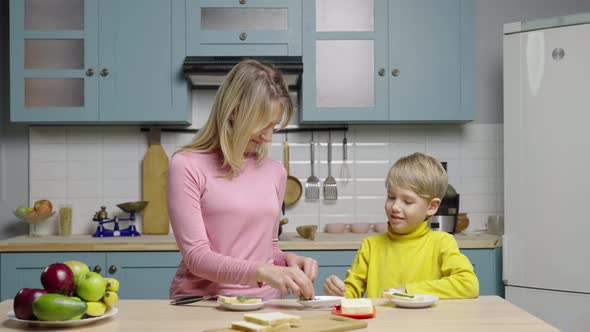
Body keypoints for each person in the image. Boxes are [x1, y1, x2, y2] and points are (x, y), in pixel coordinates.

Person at [167, 59, 318, 300]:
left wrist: (287, 260)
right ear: (234, 112)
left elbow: (267, 247)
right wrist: (264, 271)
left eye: (274, 126)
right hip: (205, 302)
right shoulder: (186, 165)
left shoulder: (275, 172)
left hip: (264, 302)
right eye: (263, 125)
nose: (268, 137)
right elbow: (196, 257)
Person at [323, 152, 479, 299]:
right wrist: (338, 292)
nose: (395, 207)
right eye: (391, 197)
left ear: (432, 207)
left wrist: (407, 291)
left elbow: (468, 285)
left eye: (407, 201)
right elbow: (350, 295)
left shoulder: (442, 242)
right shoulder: (370, 246)